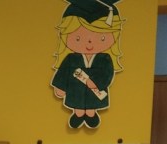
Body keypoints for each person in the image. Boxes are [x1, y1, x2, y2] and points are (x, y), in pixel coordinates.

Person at [51, 0, 124, 129]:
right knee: (78, 107)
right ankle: (78, 114)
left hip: (94, 90)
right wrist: (60, 86)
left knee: (91, 108)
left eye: (102, 38)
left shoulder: (105, 59)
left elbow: (107, 75)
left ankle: (91, 114)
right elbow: (63, 72)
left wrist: (93, 82)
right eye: (78, 38)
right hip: (75, 90)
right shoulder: (71, 58)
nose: (89, 43)